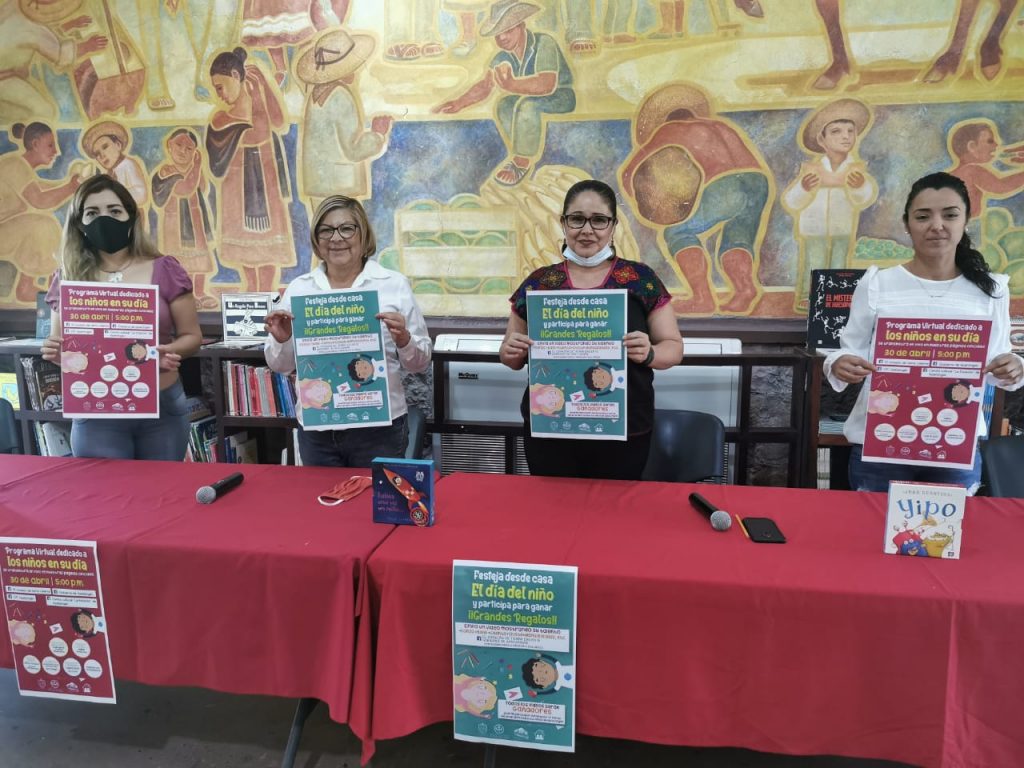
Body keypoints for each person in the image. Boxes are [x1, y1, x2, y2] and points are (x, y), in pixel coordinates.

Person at [824, 172, 1024, 494]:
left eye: (950, 215)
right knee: (872, 527)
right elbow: (848, 350)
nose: (936, 225)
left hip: (955, 440)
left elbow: (999, 361)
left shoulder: (991, 289)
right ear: (907, 223)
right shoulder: (877, 283)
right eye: (923, 216)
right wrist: (839, 363)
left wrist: (1013, 367)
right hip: (882, 441)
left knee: (948, 527)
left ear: (966, 221)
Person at [499, 179, 683, 480]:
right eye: (577, 219)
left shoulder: (640, 280)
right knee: (552, 504)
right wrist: (510, 352)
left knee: (615, 506)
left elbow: (673, 347)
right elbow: (510, 355)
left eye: (599, 220)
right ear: (563, 223)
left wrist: (649, 353)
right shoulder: (539, 284)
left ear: (613, 225)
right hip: (551, 426)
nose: (587, 230)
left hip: (624, 428)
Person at [40, 175, 202, 461]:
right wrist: (57, 354)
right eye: (92, 212)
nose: (105, 219)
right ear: (79, 223)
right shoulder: (68, 278)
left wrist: (162, 352)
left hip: (162, 407)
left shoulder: (165, 269)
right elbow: (64, 347)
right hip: (96, 408)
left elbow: (192, 337)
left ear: (131, 217)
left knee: (160, 488)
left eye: (115, 211)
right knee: (105, 489)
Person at [264, 195, 431, 467]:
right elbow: (280, 366)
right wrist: (283, 340)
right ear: (316, 239)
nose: (336, 238)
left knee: (376, 496)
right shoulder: (299, 289)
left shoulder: (393, 285)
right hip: (318, 431)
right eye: (326, 230)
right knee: (323, 496)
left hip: (380, 430)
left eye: (346, 228)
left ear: (363, 234)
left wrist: (405, 340)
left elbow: (420, 363)